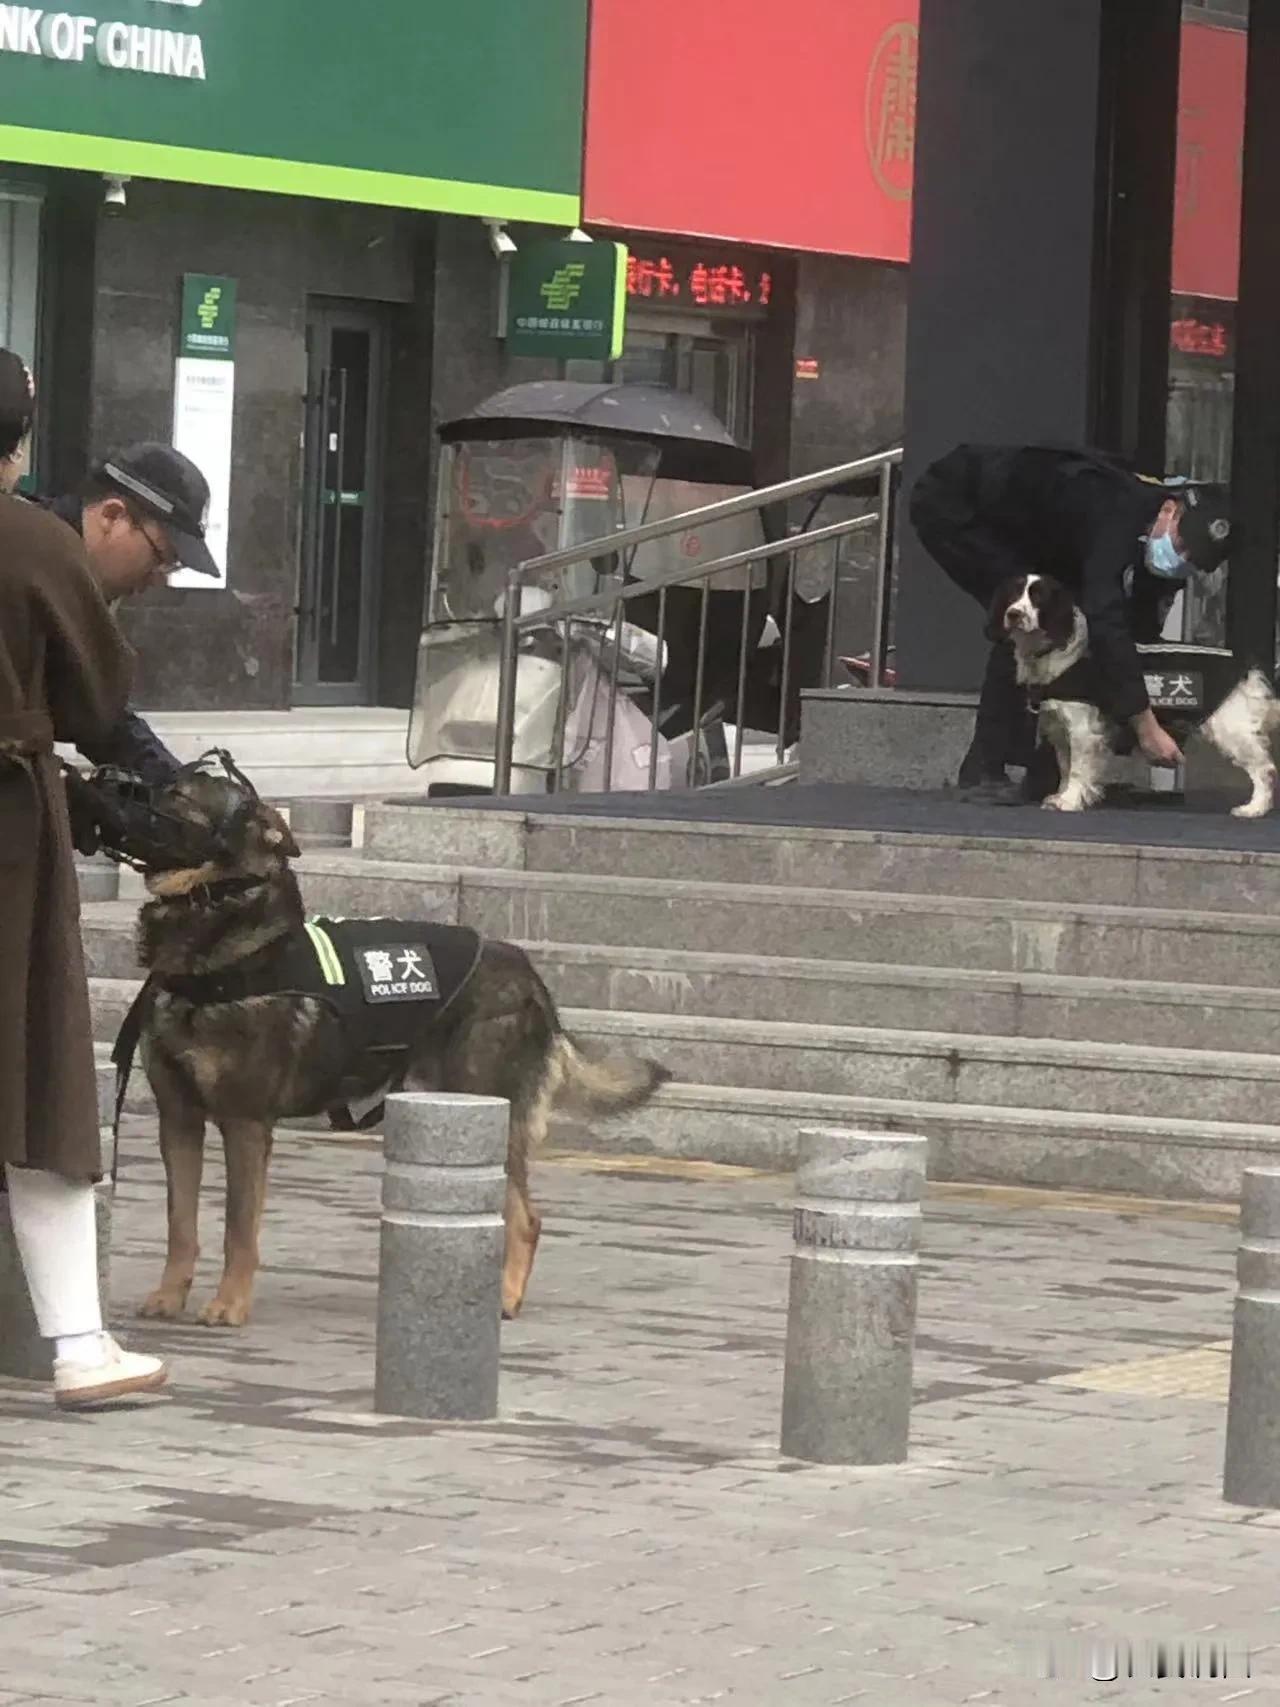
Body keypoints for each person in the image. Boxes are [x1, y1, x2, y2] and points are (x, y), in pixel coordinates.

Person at [0, 350, 168, 1408]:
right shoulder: (29, 539)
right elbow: (101, 702)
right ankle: (78, 1345)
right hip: (8, 833)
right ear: (15, 443)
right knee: (35, 1068)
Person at [909, 443, 1233, 804]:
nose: (1181, 559)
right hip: (957, 504)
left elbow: (1137, 632)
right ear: (1169, 512)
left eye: (1193, 560)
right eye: (1182, 545)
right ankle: (988, 769)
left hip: (1041, 532)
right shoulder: (1116, 514)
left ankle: (1056, 774)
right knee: (1027, 616)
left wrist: (1148, 706)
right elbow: (1106, 619)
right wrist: (1145, 726)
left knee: (1069, 620)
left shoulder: (1157, 541)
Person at [41, 443, 221, 787]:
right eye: (160, 557)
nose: (158, 577)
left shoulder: (76, 585)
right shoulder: (29, 562)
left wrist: (178, 789)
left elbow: (99, 713)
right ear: (112, 516)